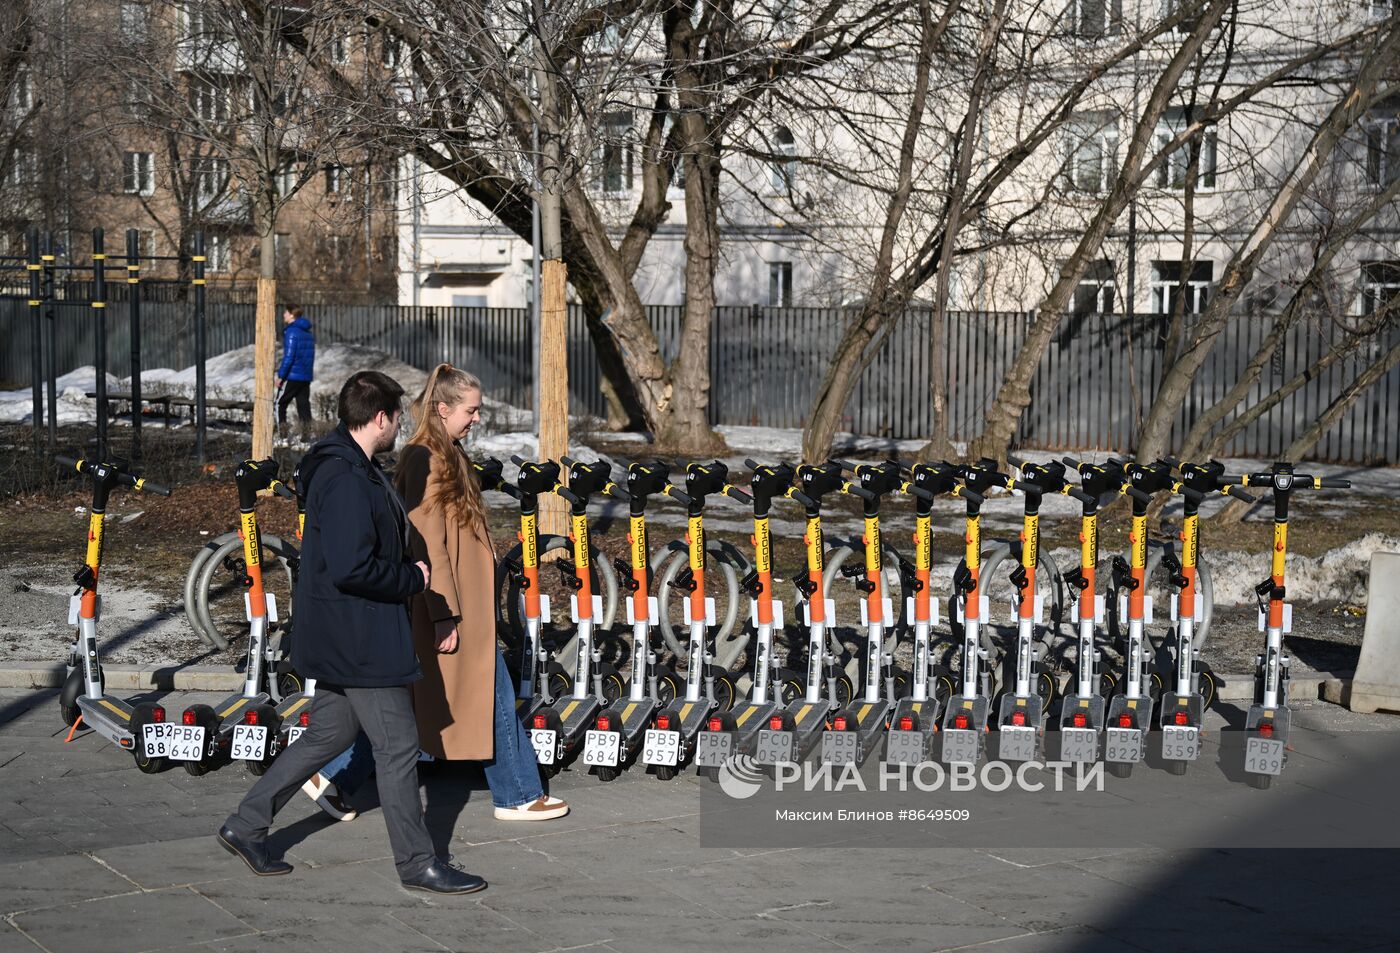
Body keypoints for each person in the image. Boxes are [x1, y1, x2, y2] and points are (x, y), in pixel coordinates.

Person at [217, 370, 486, 896]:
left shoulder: (348, 463)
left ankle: (246, 825)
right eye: (396, 418)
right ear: (381, 417)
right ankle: (416, 863)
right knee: (399, 746)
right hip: (359, 638)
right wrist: (411, 578)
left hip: (346, 633)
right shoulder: (343, 475)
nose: (399, 428)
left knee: (330, 734)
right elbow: (349, 567)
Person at [300, 364, 568, 823]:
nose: (477, 418)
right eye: (471, 410)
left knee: (413, 702)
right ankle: (518, 793)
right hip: (448, 606)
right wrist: (444, 612)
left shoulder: (445, 452)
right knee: (490, 693)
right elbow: (427, 542)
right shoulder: (428, 458)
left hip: (455, 605)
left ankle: (334, 776)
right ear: (443, 409)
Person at [276, 306, 315, 439]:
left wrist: (281, 376)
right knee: (303, 405)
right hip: (305, 375)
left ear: (292, 315)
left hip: (294, 375)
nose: (284, 315)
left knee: (281, 403)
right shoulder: (307, 333)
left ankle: (282, 434)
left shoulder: (291, 332)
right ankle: (306, 436)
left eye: (286, 312)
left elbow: (289, 356)